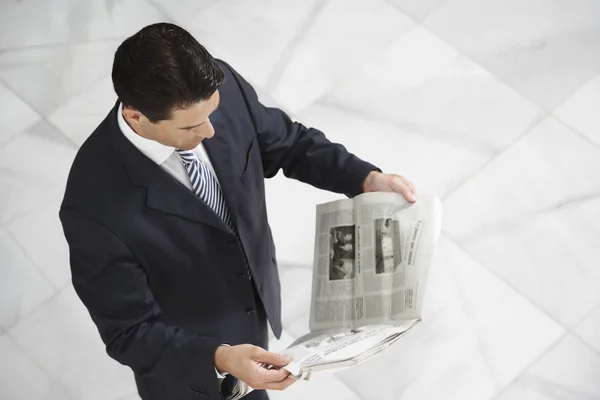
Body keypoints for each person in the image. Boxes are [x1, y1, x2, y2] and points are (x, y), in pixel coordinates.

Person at [59, 22, 417, 400]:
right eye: (192, 127)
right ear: (136, 117)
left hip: (253, 307)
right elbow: (129, 332)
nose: (211, 132)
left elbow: (288, 143)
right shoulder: (93, 206)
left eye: (212, 113)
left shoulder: (218, 89)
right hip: (192, 367)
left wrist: (364, 179)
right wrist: (220, 358)